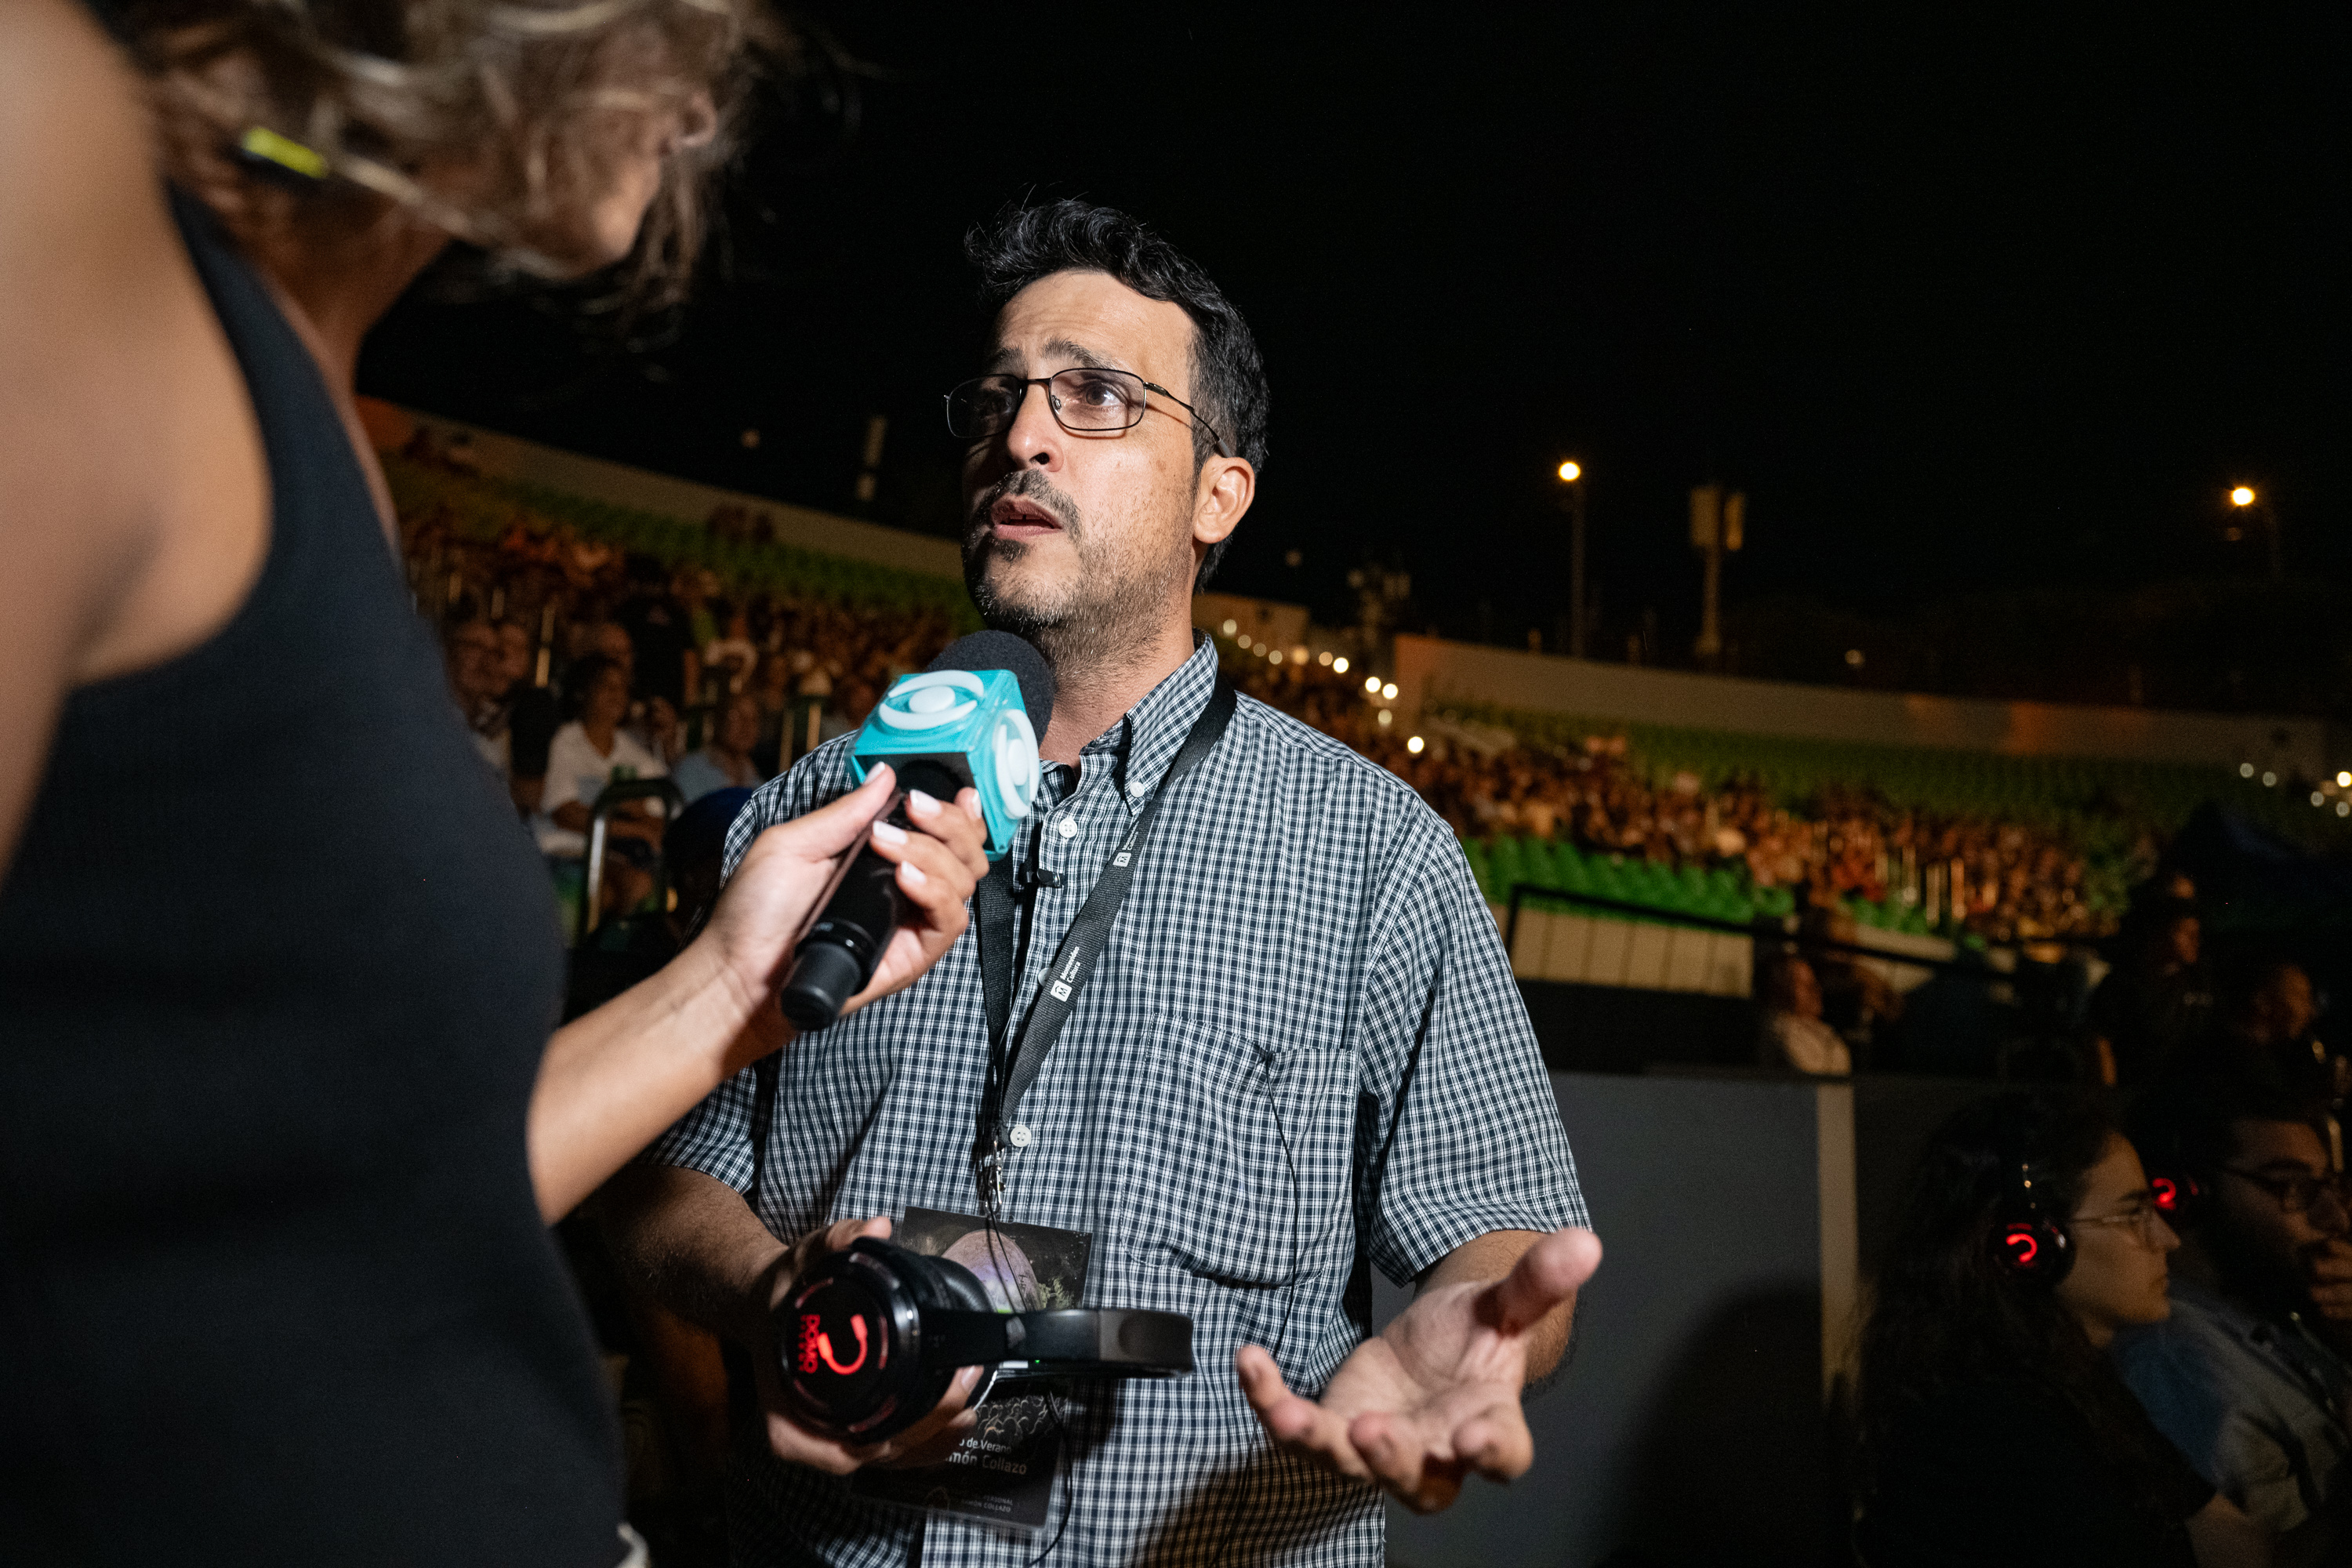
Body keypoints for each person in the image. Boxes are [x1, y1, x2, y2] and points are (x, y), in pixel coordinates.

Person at [0, 2, 991, 1563]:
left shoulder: (298, 389)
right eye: (688, 25)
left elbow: (355, 1206)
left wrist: (728, 988)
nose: (708, 104)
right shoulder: (47, 153)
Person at [602, 199, 1600, 1566]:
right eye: (1000, 398)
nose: (1022, 435)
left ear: (1217, 496)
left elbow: (1503, 1237)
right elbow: (662, 1186)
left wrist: (1477, 1331)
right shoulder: (807, 816)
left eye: (1097, 397)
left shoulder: (1378, 855)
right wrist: (768, 1287)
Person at [1853, 1089, 2263, 1566]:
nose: (2168, 1239)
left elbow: (2237, 1547)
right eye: (2133, 1214)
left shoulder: (2078, 1384)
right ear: (2032, 1247)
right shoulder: (1996, 1433)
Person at [2115, 1078, 2352, 1559]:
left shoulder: (2279, 1308)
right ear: (2187, 1194)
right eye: (2293, 1187)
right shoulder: (2175, 1362)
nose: (2336, 1218)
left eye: (2330, 1186)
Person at [542, 651, 670, 856]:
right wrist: (633, 828)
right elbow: (565, 814)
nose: (616, 695)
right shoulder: (563, 742)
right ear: (583, 692)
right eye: (606, 685)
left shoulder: (637, 755)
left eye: (622, 688)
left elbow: (664, 819)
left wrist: (637, 811)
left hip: (621, 858)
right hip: (565, 854)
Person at [2089, 894, 2213, 1086]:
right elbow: (2100, 1039)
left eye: (2196, 933)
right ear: (2158, 934)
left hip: (2192, 1091)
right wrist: (2109, 1092)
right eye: (2184, 932)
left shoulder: (2201, 980)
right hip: (2138, 1089)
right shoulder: (2123, 983)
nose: (2195, 939)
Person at [1756, 951, 1853, 1076]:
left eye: (1813, 983)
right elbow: (1815, 1077)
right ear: (1778, 992)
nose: (1815, 990)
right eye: (1803, 984)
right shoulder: (1780, 1033)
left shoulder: (1819, 1031)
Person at [671, 689, 767, 802]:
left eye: (753, 720)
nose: (746, 726)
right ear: (719, 720)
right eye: (736, 716)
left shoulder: (756, 782)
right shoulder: (691, 769)